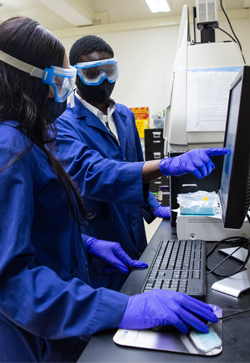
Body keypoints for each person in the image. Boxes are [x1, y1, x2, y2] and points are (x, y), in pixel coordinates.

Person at [0, 17, 220, 363]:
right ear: (27, 79)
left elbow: (28, 225)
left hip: (75, 286)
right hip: (34, 335)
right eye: (61, 79)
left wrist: (86, 243)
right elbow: (12, 282)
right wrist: (123, 307)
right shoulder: (12, 147)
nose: (66, 90)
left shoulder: (30, 136)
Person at [53, 35, 228, 291]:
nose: (103, 80)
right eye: (93, 74)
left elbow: (135, 164)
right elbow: (91, 174)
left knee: (143, 288)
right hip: (100, 240)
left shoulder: (124, 115)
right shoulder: (63, 124)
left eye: (109, 71)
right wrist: (165, 165)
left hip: (135, 234)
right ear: (77, 76)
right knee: (113, 310)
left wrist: (155, 206)